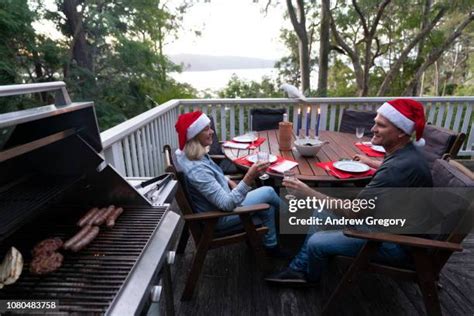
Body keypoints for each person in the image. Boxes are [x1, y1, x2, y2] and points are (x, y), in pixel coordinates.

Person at [266, 98, 433, 285]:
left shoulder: (397, 168)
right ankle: (298, 268)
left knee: (316, 242)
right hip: (390, 222)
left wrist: (308, 192)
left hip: (399, 244)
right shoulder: (405, 155)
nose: (373, 129)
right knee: (322, 211)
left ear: (402, 131)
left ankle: (308, 277)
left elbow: (354, 212)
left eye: (381, 126)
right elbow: (392, 172)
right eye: (375, 123)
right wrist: (373, 163)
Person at [174, 111, 286, 257]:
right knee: (268, 191)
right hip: (217, 219)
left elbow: (212, 178)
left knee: (267, 207)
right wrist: (249, 176)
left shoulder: (193, 156)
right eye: (206, 129)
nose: (212, 131)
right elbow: (226, 204)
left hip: (219, 207)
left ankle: (271, 247)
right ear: (194, 135)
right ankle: (295, 216)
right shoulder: (197, 169)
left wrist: (228, 181)